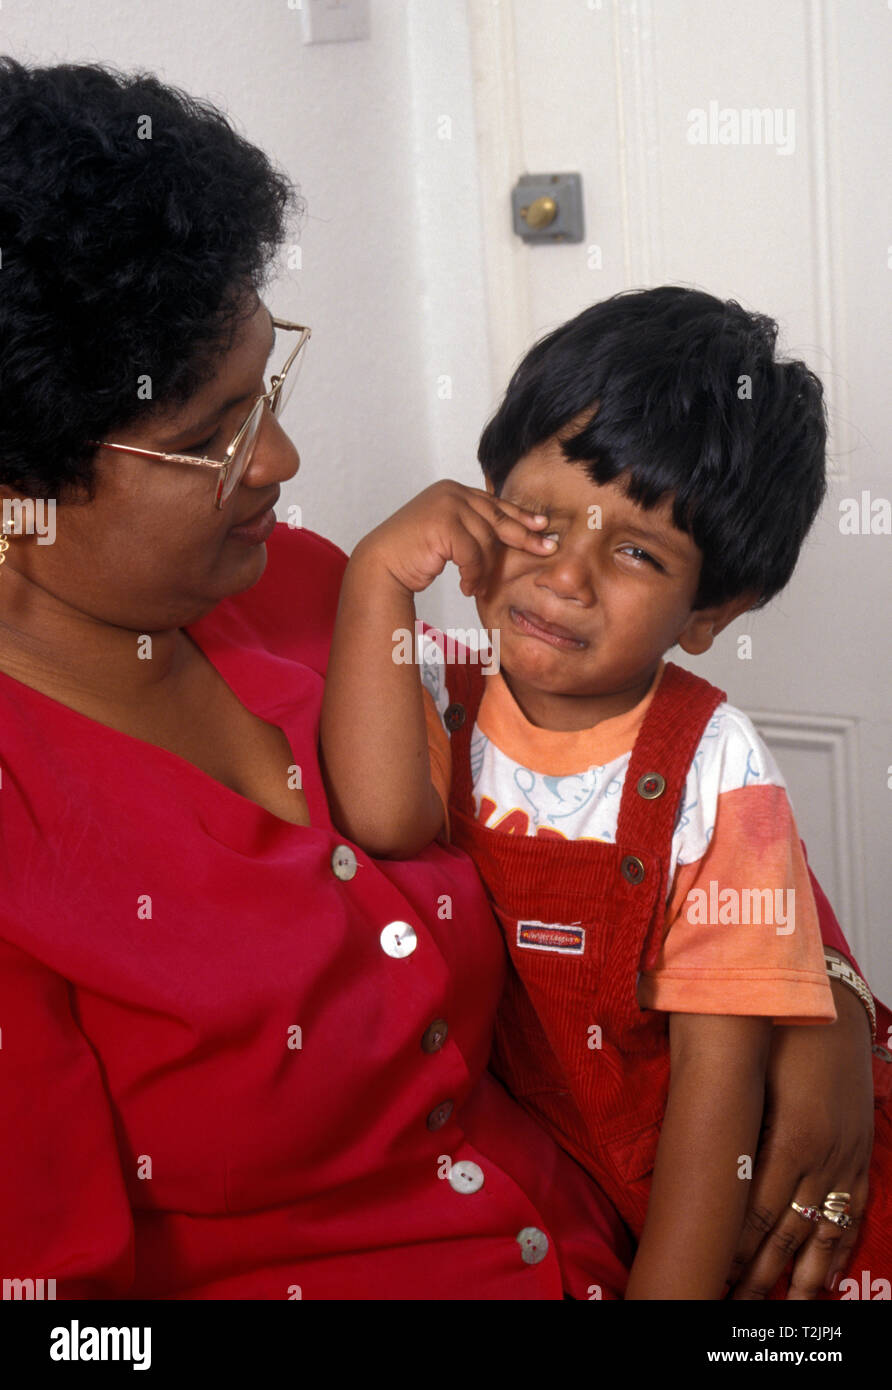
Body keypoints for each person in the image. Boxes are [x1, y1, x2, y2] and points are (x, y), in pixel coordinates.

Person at [0, 58, 880, 1302]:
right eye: (211, 437)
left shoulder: (307, 588)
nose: (283, 460)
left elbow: (633, 770)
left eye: (269, 393)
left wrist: (828, 1003)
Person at [318, 287, 892, 1299]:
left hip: (757, 1211)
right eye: (537, 517)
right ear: (484, 493)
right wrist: (375, 576)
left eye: (636, 552)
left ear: (710, 612)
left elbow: (721, 1084)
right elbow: (385, 817)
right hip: (595, 1179)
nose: (567, 576)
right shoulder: (439, 689)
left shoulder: (715, 766)